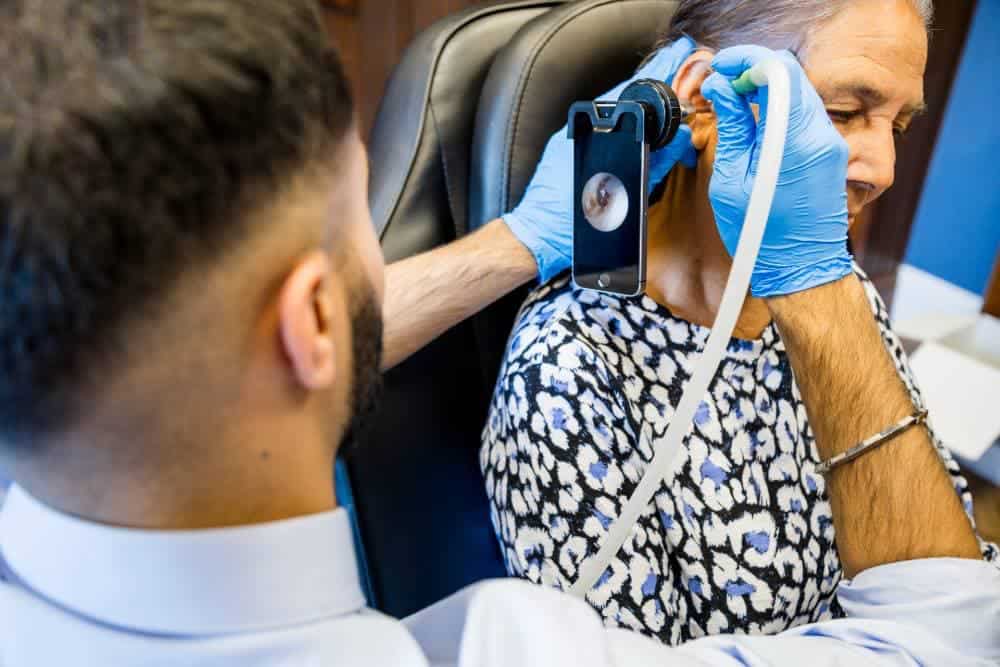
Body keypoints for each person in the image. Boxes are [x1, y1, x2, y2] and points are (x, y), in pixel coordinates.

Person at [1, 1, 998, 666]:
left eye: (898, 125)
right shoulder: (503, 641)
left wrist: (525, 238)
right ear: (310, 318)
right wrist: (813, 275)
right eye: (366, 221)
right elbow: (949, 630)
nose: (874, 166)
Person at [480, 0, 1000, 646]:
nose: (884, 171)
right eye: (843, 112)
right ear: (705, 103)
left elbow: (951, 585)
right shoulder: (567, 369)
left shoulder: (834, 290)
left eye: (897, 126)